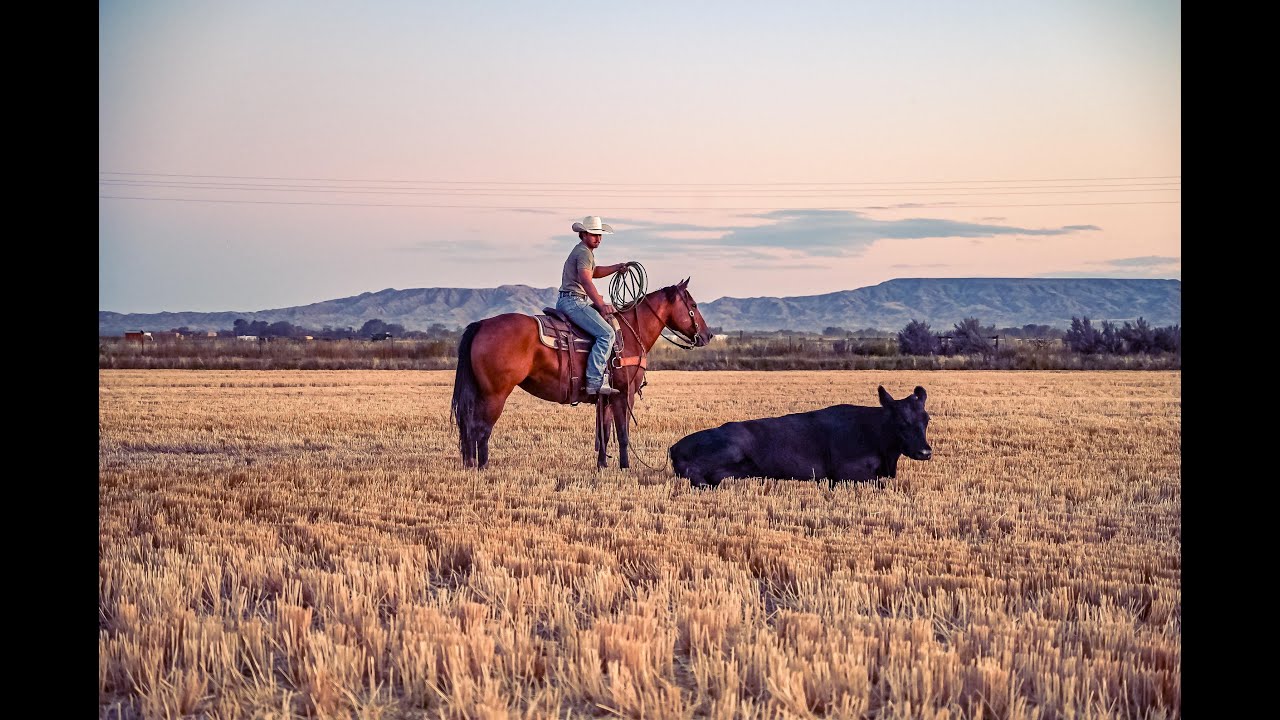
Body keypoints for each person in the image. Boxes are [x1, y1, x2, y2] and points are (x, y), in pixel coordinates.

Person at [557, 215, 631, 396]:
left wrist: (616, 267)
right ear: (583, 234)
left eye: (600, 235)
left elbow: (594, 271)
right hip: (573, 301)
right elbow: (586, 279)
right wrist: (601, 303)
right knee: (607, 334)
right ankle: (594, 381)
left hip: (569, 299)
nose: (598, 239)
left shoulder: (584, 252)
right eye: (593, 235)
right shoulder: (584, 252)